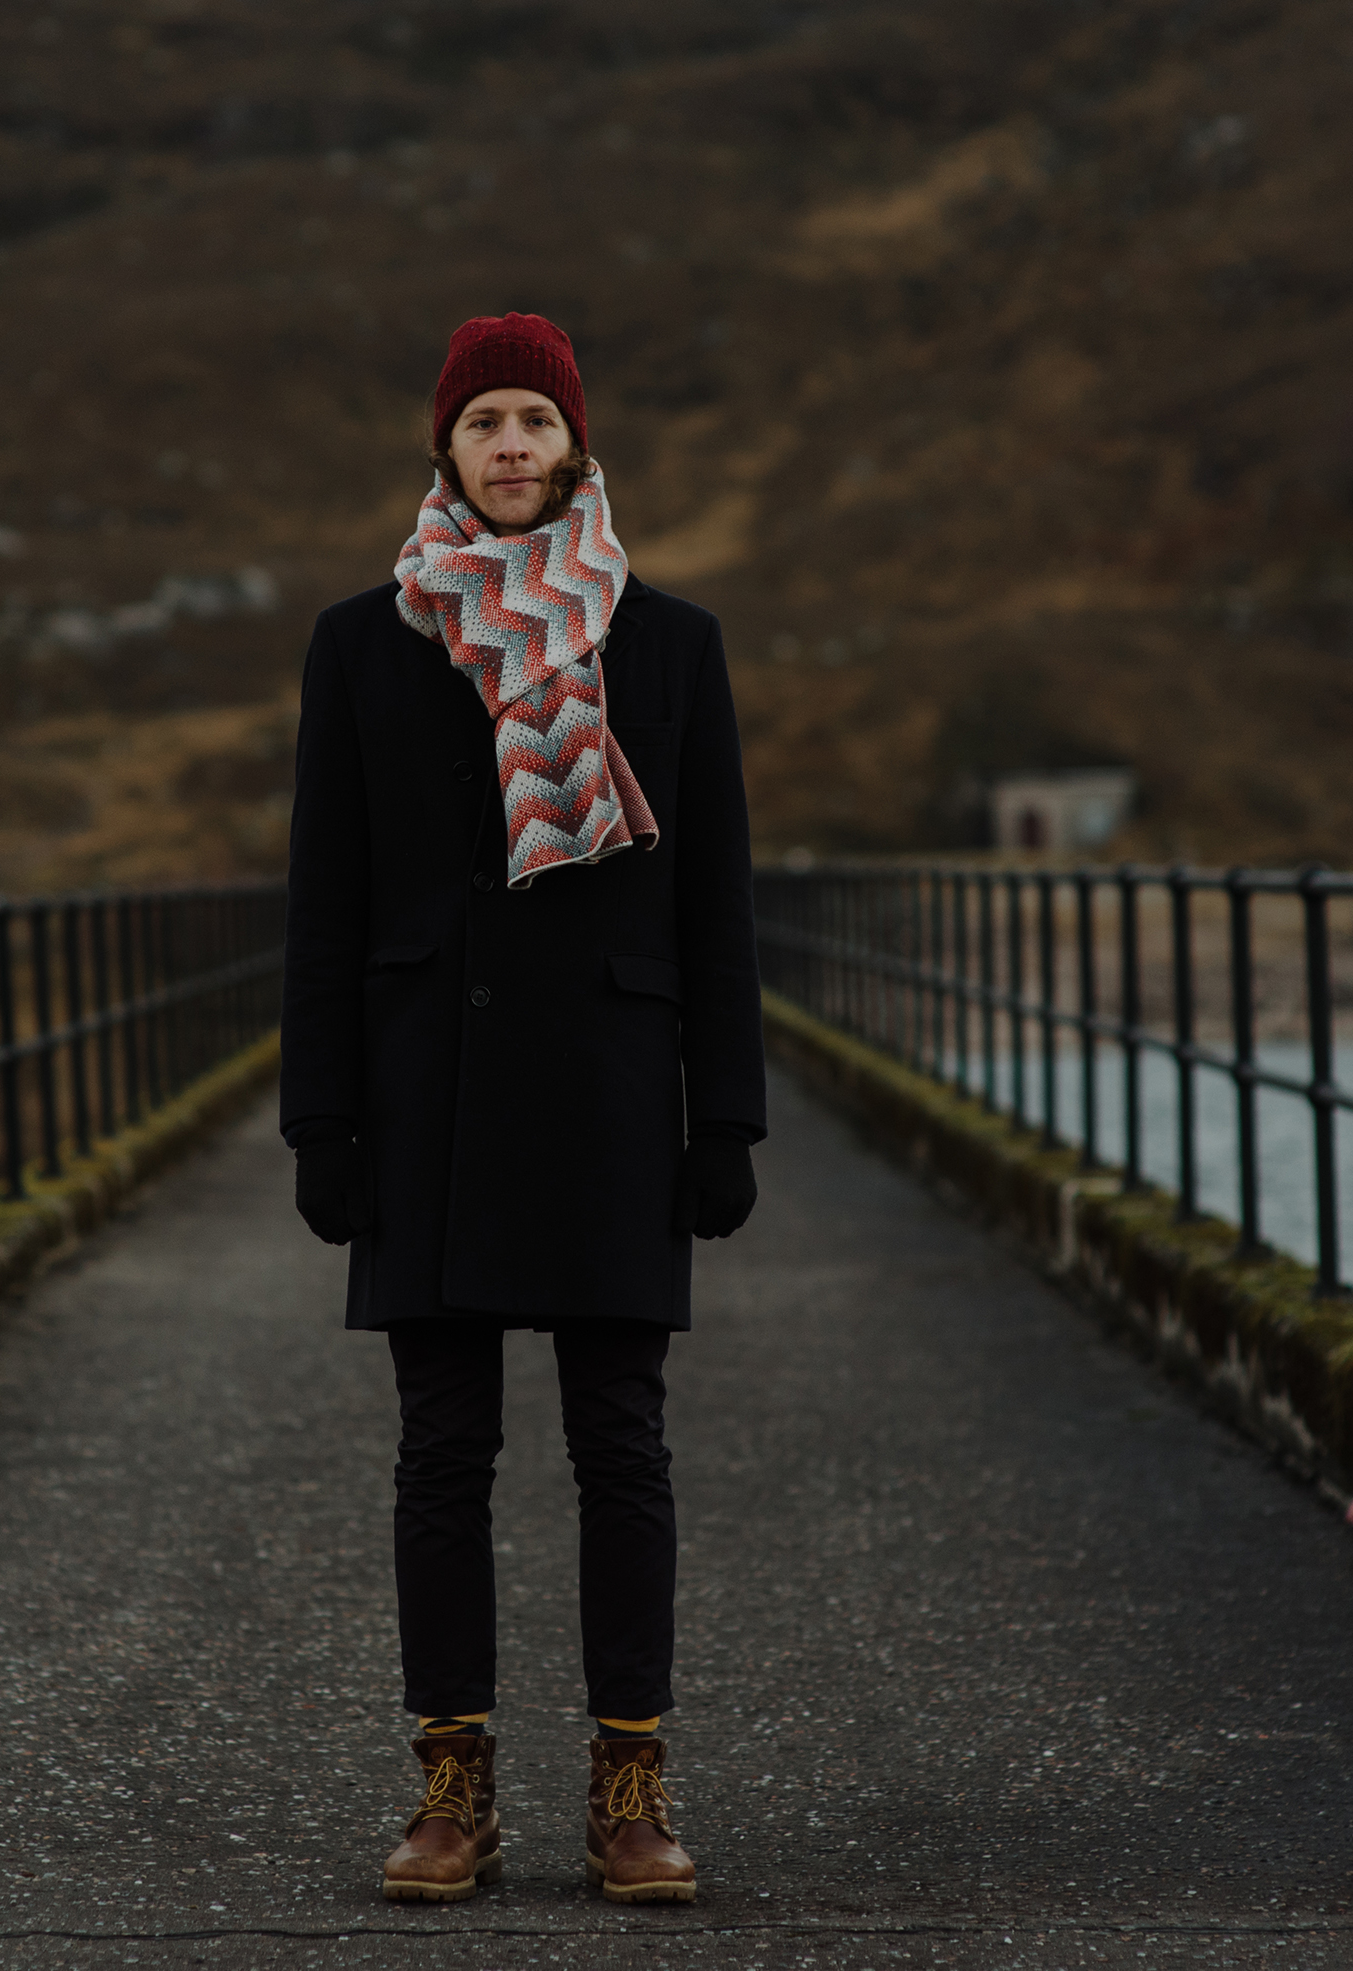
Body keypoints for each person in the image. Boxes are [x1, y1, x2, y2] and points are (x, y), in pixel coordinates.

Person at [278, 311, 766, 1906]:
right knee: (445, 1450)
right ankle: (452, 1789)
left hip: (617, 1094)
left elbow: (716, 903)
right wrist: (321, 1120)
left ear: (574, 448)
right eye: (482, 420)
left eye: (533, 423)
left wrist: (729, 1119)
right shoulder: (362, 645)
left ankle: (630, 1792)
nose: (508, 447)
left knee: (622, 1446)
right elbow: (324, 901)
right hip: (431, 1097)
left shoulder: (671, 644)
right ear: (446, 448)